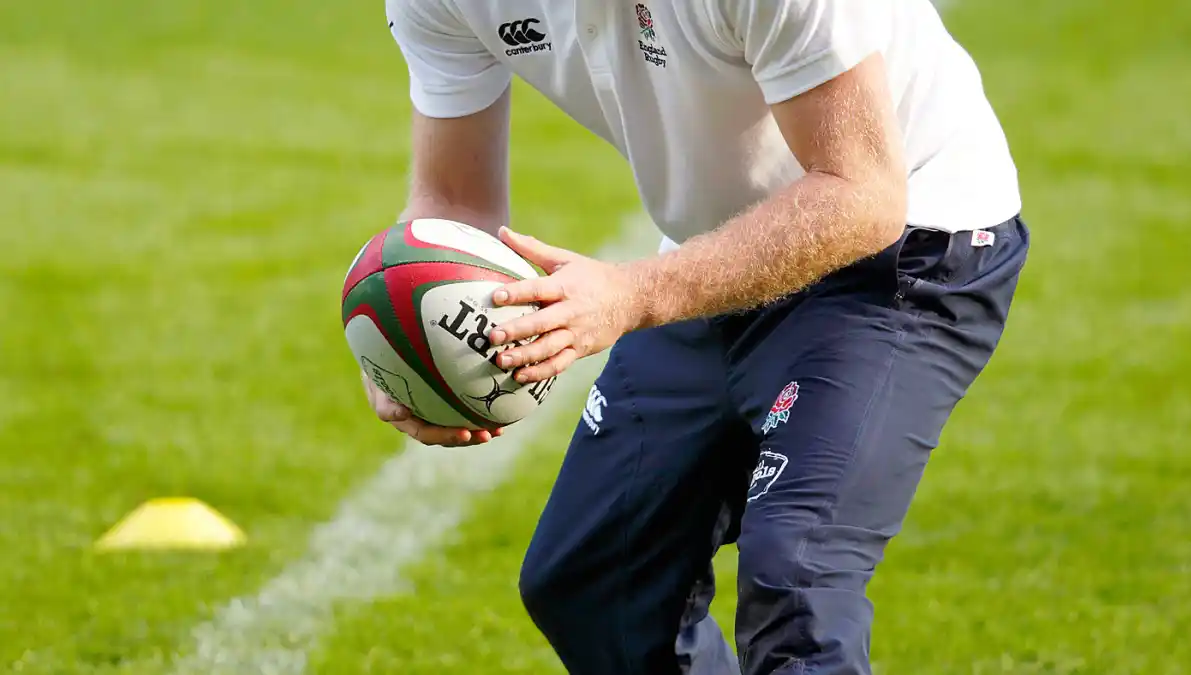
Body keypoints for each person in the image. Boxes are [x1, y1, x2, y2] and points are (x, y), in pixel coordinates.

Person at [363, 0, 1030, 673]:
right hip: (715, 249)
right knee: (597, 581)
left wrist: (633, 293)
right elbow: (454, 205)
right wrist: (398, 337)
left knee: (797, 580)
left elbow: (861, 195)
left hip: (907, 243)